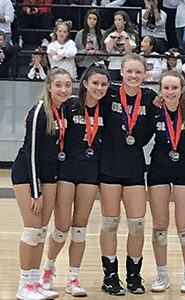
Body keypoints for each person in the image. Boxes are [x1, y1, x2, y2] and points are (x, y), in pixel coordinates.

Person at [39, 63, 110, 298]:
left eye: (103, 84)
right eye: (95, 83)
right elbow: (46, 114)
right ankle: (48, 270)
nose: (99, 88)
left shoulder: (108, 108)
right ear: (85, 83)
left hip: (91, 173)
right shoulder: (69, 105)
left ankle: (73, 278)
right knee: (61, 228)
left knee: (80, 229)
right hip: (66, 170)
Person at [98, 54, 157, 296]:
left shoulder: (152, 99)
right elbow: (80, 100)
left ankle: (134, 275)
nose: (133, 76)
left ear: (145, 75)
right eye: (129, 71)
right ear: (121, 72)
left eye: (138, 72)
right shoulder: (108, 93)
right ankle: (110, 276)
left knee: (137, 225)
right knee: (110, 223)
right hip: (109, 167)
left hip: (134, 168)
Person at [12, 67, 72, 300]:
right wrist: (36, 191)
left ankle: (35, 282)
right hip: (29, 175)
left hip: (49, 177)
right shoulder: (39, 111)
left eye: (67, 85)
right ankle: (23, 285)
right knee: (32, 230)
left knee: (41, 232)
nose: (63, 89)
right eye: (58, 85)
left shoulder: (64, 109)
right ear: (49, 86)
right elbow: (31, 153)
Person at [148, 70, 185, 293]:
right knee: (159, 226)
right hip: (158, 171)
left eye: (174, 88)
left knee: (184, 227)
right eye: (166, 88)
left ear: (182, 89)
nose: (170, 92)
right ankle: (161, 275)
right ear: (160, 89)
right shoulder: (153, 110)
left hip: (184, 171)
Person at [104, 11, 138, 80]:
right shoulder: (111, 34)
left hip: (126, 66)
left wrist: (126, 38)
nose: (117, 22)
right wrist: (113, 38)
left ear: (124, 21)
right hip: (113, 66)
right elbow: (108, 50)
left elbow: (128, 51)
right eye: (115, 20)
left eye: (119, 20)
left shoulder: (131, 35)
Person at [75, 10, 106, 78]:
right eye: (90, 18)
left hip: (98, 66)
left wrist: (95, 52)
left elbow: (106, 55)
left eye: (94, 19)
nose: (92, 21)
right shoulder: (80, 34)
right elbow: (76, 55)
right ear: (86, 19)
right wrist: (85, 51)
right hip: (83, 67)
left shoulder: (103, 34)